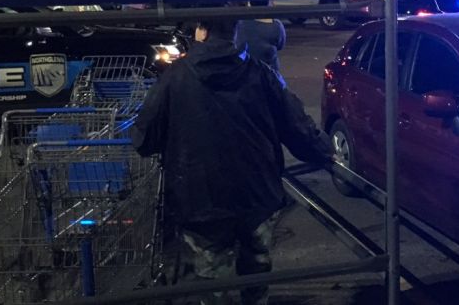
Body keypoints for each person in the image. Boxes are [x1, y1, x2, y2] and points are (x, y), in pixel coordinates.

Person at [133, 18, 331, 305]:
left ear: (201, 31)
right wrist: (325, 150)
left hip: (200, 196)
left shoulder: (175, 76)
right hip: (257, 192)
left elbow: (144, 138)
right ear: (236, 32)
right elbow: (298, 128)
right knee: (257, 269)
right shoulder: (260, 73)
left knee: (212, 277)